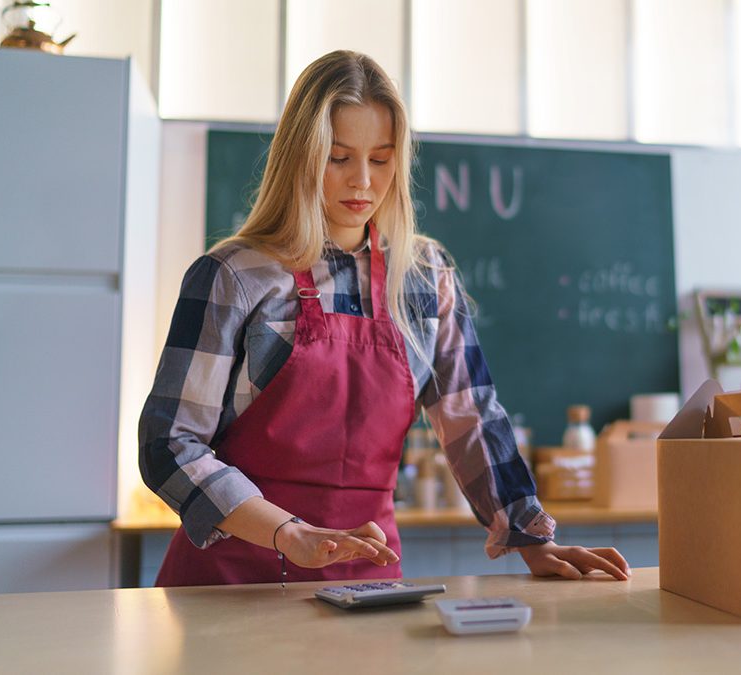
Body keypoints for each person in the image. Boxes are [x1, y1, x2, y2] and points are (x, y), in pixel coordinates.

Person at [139, 50, 630, 587]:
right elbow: (169, 443)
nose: (363, 183)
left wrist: (530, 537)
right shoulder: (234, 276)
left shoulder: (425, 275)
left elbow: (470, 416)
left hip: (368, 581)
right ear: (301, 156)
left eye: (381, 159)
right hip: (232, 577)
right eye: (339, 157)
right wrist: (289, 532)